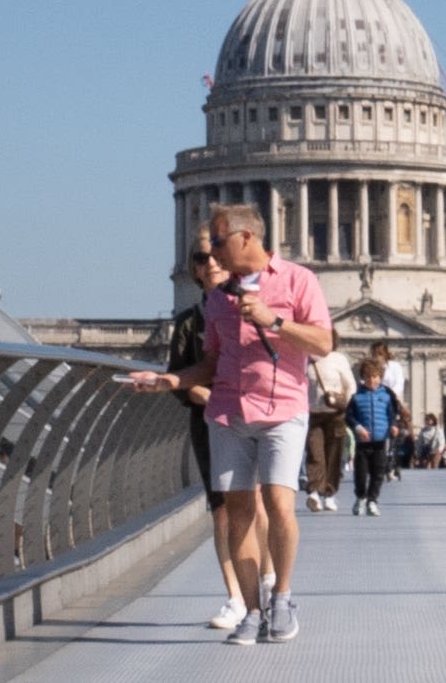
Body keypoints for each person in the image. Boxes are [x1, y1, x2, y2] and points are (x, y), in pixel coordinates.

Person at [124, 203, 335, 646]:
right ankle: (252, 611)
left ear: (245, 238)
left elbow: (323, 342)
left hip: (282, 409)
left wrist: (274, 321)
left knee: (278, 504)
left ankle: (282, 597)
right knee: (238, 516)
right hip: (228, 413)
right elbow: (212, 363)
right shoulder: (219, 299)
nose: (210, 254)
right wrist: (170, 381)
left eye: (217, 242)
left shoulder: (299, 281)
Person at [164, 245, 253, 630]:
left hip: (254, 419)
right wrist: (214, 397)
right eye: (201, 257)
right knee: (222, 512)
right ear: (195, 269)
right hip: (211, 422)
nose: (212, 262)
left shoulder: (255, 307)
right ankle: (235, 596)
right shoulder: (189, 322)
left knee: (259, 507)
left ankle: (262, 586)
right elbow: (179, 378)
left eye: (218, 253)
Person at [346, 345, 403, 516]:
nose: (372, 380)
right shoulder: (356, 396)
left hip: (380, 440)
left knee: (378, 473)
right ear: (362, 377)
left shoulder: (387, 395)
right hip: (363, 442)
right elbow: (349, 416)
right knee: (361, 474)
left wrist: (394, 426)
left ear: (380, 377)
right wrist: (357, 428)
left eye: (375, 377)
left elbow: (393, 413)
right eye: (368, 377)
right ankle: (361, 496)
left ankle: (372, 500)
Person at [303, 343, 357, 513]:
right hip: (313, 415)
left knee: (334, 455)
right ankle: (314, 492)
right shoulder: (304, 359)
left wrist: (346, 406)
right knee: (314, 454)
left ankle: (330, 493)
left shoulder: (338, 359)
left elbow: (351, 386)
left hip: (336, 415)